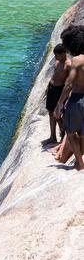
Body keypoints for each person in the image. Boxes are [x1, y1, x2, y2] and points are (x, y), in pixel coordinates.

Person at [54, 25, 84, 170]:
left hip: (77, 100)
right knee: (83, 133)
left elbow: (69, 85)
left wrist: (59, 104)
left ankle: (80, 163)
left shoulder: (77, 60)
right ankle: (80, 162)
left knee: (71, 133)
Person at [43, 44, 70, 145]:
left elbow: (69, 82)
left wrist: (65, 97)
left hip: (59, 90)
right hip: (51, 88)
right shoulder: (57, 61)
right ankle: (52, 136)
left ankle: (63, 137)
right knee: (51, 113)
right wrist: (47, 88)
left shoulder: (68, 64)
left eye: (57, 55)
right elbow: (54, 75)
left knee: (58, 115)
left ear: (63, 53)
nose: (56, 57)